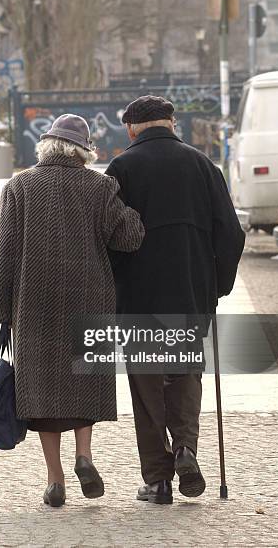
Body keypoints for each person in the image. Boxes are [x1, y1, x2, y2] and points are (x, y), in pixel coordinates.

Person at [0, 114, 144, 508]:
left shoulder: (19, 186)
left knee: (40, 389)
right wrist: (132, 210)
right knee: (85, 379)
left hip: (33, 302)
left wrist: (2, 308)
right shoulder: (100, 186)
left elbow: (6, 254)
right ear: (84, 151)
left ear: (45, 146)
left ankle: (54, 478)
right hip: (89, 295)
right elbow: (129, 238)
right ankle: (85, 457)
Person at [105, 95, 245, 505]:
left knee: (147, 385)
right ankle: (185, 447)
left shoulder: (122, 168)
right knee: (184, 375)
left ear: (132, 128)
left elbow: (111, 235)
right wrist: (216, 285)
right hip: (190, 293)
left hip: (139, 296)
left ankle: (157, 479)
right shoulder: (203, 165)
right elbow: (231, 235)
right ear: (171, 123)